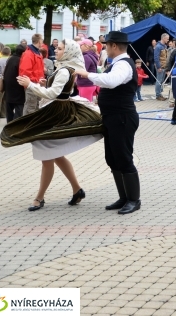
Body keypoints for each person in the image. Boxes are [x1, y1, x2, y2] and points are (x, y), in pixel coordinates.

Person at [2, 39, 104, 211]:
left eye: (60, 48)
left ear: (69, 51)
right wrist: (44, 83)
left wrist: (31, 85)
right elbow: (58, 90)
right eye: (57, 48)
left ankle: (39, 197)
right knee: (55, 155)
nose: (56, 50)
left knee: (48, 156)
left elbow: (53, 93)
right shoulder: (65, 67)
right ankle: (76, 189)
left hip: (54, 115)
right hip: (54, 112)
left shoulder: (65, 70)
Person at [73, 31, 142, 215]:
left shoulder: (124, 65)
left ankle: (134, 200)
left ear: (113, 46)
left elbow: (111, 82)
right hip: (113, 117)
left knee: (124, 158)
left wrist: (87, 74)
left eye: (106, 45)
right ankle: (124, 197)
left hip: (122, 118)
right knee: (112, 159)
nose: (104, 47)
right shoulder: (117, 64)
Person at [20, 34, 45, 116]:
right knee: (30, 109)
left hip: (36, 84)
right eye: (42, 40)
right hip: (32, 84)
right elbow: (25, 72)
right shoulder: (29, 54)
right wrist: (36, 81)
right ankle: (26, 127)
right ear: (39, 41)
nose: (43, 42)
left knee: (37, 107)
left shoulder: (36, 53)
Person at [3, 46, 27, 122]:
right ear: (23, 53)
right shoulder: (20, 60)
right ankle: (15, 126)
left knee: (9, 109)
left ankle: (9, 125)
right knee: (19, 109)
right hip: (17, 89)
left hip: (8, 88)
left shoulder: (10, 59)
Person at [154, 34, 169, 101]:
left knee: (162, 81)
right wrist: (158, 67)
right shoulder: (158, 47)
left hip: (164, 66)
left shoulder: (165, 46)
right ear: (163, 38)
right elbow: (156, 57)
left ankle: (160, 94)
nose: (168, 40)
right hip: (160, 66)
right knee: (159, 81)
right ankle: (158, 95)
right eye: (167, 39)